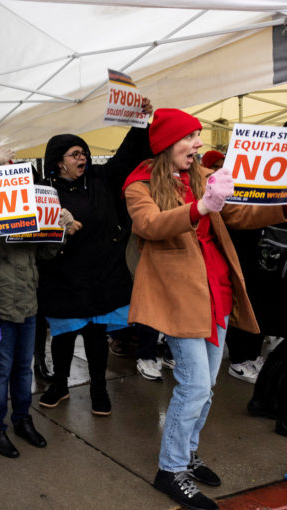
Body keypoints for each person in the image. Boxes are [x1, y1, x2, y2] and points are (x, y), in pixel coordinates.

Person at [123, 108, 286, 510]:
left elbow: (240, 214)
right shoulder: (138, 185)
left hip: (218, 295)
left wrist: (283, 208)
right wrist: (199, 208)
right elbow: (151, 225)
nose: (199, 144)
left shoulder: (200, 177)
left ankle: (187, 453)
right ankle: (171, 468)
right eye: (190, 137)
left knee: (205, 388)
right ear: (166, 144)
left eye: (198, 136)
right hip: (180, 301)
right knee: (194, 386)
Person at [37, 98, 153, 416]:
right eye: (75, 154)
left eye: (84, 152)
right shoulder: (43, 190)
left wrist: (140, 122)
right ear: (58, 162)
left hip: (102, 274)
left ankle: (99, 387)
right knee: (62, 336)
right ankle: (59, 384)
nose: (82, 157)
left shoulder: (102, 179)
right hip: (63, 276)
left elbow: (128, 155)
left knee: (96, 336)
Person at [0, 146, 75, 458]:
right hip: (1, 304)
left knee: (22, 369)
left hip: (29, 304)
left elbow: (45, 254)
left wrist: (59, 228)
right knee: (1, 371)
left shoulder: (32, 212)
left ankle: (22, 419)